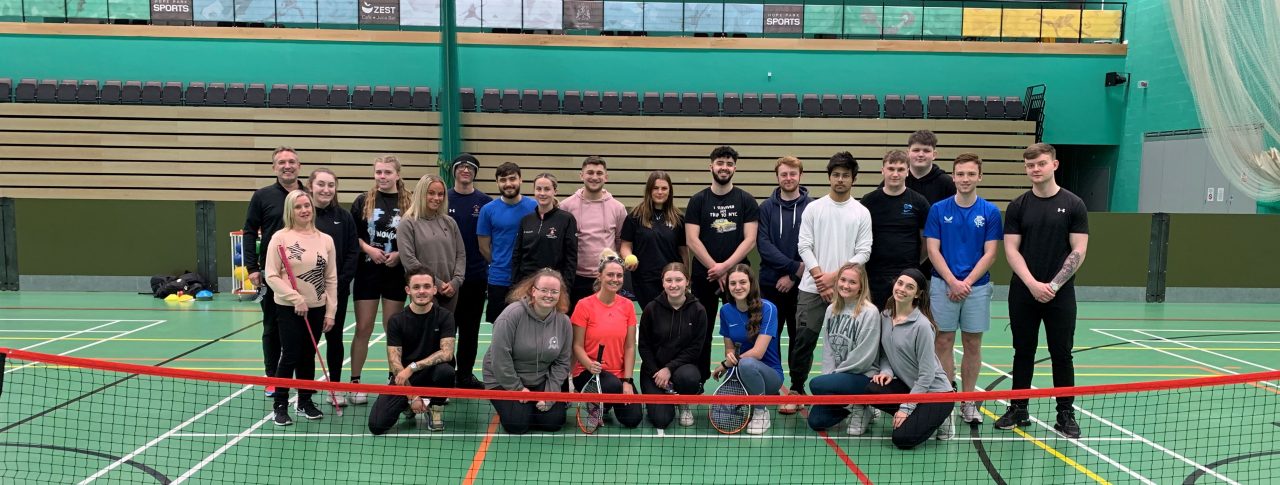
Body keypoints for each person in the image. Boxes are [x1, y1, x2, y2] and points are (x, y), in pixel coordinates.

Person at [995, 143, 1089, 439]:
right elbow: (1011, 250)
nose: (1035, 169)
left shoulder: (1074, 205)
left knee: (1062, 353)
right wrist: (1033, 284)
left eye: (1041, 164)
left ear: (1054, 165)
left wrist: (1053, 285)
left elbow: (1079, 250)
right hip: (1024, 292)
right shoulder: (1018, 206)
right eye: (1030, 165)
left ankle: (1065, 414)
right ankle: (1018, 408)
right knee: (1023, 351)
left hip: (1060, 295)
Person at [925, 153, 1003, 425]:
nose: (965, 179)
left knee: (972, 343)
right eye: (960, 174)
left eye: (971, 174)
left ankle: (968, 401)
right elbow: (932, 250)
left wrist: (966, 283)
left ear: (979, 177)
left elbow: (990, 253)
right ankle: (946, 398)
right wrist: (952, 281)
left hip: (977, 288)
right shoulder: (938, 209)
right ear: (953, 176)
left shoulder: (990, 212)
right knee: (942, 341)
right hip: (942, 285)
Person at [793, 152, 873, 406]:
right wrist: (820, 280)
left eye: (845, 176)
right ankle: (796, 391)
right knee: (803, 341)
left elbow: (864, 251)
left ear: (853, 179)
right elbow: (804, 246)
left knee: (847, 345)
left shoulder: (861, 212)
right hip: (811, 289)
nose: (840, 179)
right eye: (836, 175)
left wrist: (835, 279)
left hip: (848, 290)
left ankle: (843, 394)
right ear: (829, 178)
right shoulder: (814, 209)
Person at [263, 190, 338, 426]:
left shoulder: (325, 240)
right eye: (298, 207)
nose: (304, 210)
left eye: (307, 205)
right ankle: (280, 405)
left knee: (308, 356)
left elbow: (331, 279)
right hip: (289, 308)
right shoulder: (280, 238)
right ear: (290, 211)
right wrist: (295, 298)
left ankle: (305, 401)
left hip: (317, 307)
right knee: (291, 355)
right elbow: (272, 275)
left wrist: (330, 311)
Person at [685, 146, 759, 384]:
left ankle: (741, 382)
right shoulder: (697, 200)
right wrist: (714, 269)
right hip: (704, 277)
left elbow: (750, 239)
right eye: (720, 163)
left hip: (738, 278)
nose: (724, 167)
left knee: (744, 332)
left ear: (734, 168)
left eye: (728, 163)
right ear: (711, 166)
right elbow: (691, 240)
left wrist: (726, 268)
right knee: (700, 333)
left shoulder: (746, 200)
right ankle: (696, 385)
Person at [348, 155, 413, 405]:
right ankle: (355, 382)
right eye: (378, 172)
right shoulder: (363, 201)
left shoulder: (408, 202)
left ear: (397, 174)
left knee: (391, 329)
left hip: (396, 273)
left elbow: (412, 236)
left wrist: (399, 254)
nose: (382, 177)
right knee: (363, 328)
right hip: (367, 272)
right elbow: (352, 234)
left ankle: (393, 379)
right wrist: (368, 249)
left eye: (387, 172)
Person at [865, 269, 955, 449]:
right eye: (900, 283)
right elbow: (885, 354)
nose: (902, 289)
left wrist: (905, 408)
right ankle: (918, 416)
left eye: (909, 287)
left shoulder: (922, 326)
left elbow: (927, 375)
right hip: (911, 387)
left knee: (902, 439)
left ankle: (942, 418)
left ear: (918, 294)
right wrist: (886, 371)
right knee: (872, 389)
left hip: (936, 394)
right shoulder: (885, 316)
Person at [482, 269, 574, 435]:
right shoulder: (511, 315)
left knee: (553, 422)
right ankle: (517, 408)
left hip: (540, 378)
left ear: (560, 294)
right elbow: (499, 358)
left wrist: (550, 392)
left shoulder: (564, 322)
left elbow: (563, 362)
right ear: (533, 291)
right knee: (518, 425)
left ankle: (530, 405)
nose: (549, 295)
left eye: (554, 291)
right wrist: (517, 389)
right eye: (544, 290)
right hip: (503, 379)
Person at [242, 146, 302, 396]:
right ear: (274, 167)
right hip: (272, 273)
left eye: (291, 162)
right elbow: (248, 231)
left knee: (301, 328)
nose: (287, 166)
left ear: (298, 165)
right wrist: (253, 268)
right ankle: (273, 377)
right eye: (282, 162)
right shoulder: (262, 196)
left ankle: (302, 378)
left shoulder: (308, 195)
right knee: (272, 327)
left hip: (303, 273)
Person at [368, 270, 457, 435]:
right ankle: (408, 405)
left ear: (434, 290)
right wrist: (412, 396)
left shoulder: (445, 317)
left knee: (447, 371)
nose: (421, 291)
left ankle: (435, 410)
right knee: (377, 425)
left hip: (432, 374)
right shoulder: (396, 320)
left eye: (426, 286)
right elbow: (395, 364)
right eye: (416, 287)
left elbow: (447, 354)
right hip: (405, 378)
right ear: (408, 290)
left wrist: (413, 367)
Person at [757, 156, 812, 411]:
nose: (788, 178)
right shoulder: (766, 207)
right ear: (777, 177)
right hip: (770, 284)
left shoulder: (812, 207)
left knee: (799, 337)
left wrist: (794, 277)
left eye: (792, 174)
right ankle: (770, 386)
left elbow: (813, 244)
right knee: (770, 336)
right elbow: (764, 245)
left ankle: (797, 388)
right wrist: (792, 268)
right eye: (783, 174)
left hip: (801, 285)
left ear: (800, 175)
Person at [569, 250, 642, 428]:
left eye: (619, 275)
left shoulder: (627, 306)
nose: (615, 279)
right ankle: (594, 402)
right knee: (610, 385)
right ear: (599, 276)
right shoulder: (584, 305)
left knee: (632, 420)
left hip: (618, 375)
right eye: (610, 274)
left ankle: (605, 404)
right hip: (588, 372)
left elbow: (630, 347)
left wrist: (627, 381)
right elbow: (576, 346)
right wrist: (588, 363)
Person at [805, 263, 880, 435]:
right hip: (838, 376)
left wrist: (832, 380)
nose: (846, 285)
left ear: (861, 287)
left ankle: (861, 406)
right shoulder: (832, 309)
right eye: (843, 280)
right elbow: (829, 349)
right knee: (816, 421)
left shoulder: (870, 312)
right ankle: (852, 405)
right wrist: (829, 376)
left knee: (816, 385)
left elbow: (864, 357)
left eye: (852, 282)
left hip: (862, 376)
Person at [308, 168, 359, 406]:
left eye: (331, 185)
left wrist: (340, 283)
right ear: (311, 186)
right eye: (321, 184)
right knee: (306, 342)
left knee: (335, 339)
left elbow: (351, 252)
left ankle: (335, 387)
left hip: (336, 292)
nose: (326, 189)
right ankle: (304, 390)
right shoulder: (302, 215)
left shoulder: (344, 216)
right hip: (306, 294)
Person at [711, 264, 783, 435]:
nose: (738, 287)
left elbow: (758, 353)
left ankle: (760, 411)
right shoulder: (726, 311)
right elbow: (729, 348)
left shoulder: (769, 309)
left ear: (751, 283)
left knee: (748, 364)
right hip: (737, 371)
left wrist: (725, 364)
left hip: (770, 375)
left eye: (742, 282)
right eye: (733, 283)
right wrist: (729, 359)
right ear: (727, 286)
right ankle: (750, 398)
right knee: (722, 417)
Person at [638, 262, 707, 429]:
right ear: (662, 282)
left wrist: (669, 369)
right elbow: (644, 346)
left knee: (689, 378)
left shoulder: (698, 310)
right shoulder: (651, 309)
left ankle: (684, 402)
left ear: (687, 282)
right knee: (661, 420)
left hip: (682, 369)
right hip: (653, 372)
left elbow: (695, 349)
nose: (674, 285)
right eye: (669, 280)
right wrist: (657, 372)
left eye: (678, 280)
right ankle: (660, 401)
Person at [446, 154, 493, 389]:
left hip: (475, 276)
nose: (465, 170)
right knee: (446, 329)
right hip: (447, 279)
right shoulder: (442, 197)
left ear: (475, 173)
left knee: (470, 330)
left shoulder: (485, 201)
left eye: (470, 168)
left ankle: (464, 375)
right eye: (461, 167)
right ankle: (447, 374)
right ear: (454, 171)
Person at [863, 150, 930, 310]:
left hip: (907, 275)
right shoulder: (868, 201)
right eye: (891, 168)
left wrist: (913, 263)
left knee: (903, 324)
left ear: (907, 172)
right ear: (883, 170)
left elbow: (927, 242)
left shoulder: (919, 202)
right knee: (875, 325)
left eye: (900, 169)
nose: (895, 174)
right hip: (874, 277)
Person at [560, 156, 627, 313]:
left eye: (599, 173)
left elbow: (620, 241)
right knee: (575, 327)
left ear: (606, 177)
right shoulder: (566, 206)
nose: (594, 177)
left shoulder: (617, 208)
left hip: (605, 278)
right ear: (581, 175)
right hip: (574, 278)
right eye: (590, 172)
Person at [477, 162, 538, 325]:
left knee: (526, 325)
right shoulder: (488, 210)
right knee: (500, 325)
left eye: (513, 179)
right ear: (497, 183)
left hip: (527, 278)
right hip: (499, 279)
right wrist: (499, 262)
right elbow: (483, 247)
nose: (508, 184)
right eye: (503, 180)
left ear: (521, 180)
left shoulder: (535, 207)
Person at [398, 174, 466, 313]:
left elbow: (461, 254)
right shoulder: (408, 223)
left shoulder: (450, 222)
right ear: (421, 193)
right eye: (431, 193)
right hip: (424, 290)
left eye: (440, 194)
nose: (436, 198)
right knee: (426, 332)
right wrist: (436, 284)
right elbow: (409, 260)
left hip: (451, 291)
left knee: (447, 333)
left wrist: (456, 282)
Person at [620, 171, 687, 309]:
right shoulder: (634, 216)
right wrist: (628, 256)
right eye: (655, 188)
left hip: (671, 280)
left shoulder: (678, 218)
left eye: (664, 188)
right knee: (652, 318)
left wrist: (687, 275)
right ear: (649, 190)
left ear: (670, 191)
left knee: (671, 319)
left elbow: (683, 251)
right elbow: (625, 245)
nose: (660, 192)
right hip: (644, 280)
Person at [512, 173, 579, 286]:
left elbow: (571, 258)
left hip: (553, 284)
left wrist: (566, 287)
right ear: (534, 191)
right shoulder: (526, 220)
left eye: (547, 189)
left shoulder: (566, 219)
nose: (542, 193)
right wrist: (515, 283)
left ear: (555, 191)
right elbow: (517, 255)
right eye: (539, 189)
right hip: (526, 284)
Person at [901, 130, 956, 204]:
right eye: (916, 150)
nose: (921, 154)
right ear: (908, 153)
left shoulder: (948, 184)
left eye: (926, 151)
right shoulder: (897, 179)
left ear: (934, 155)